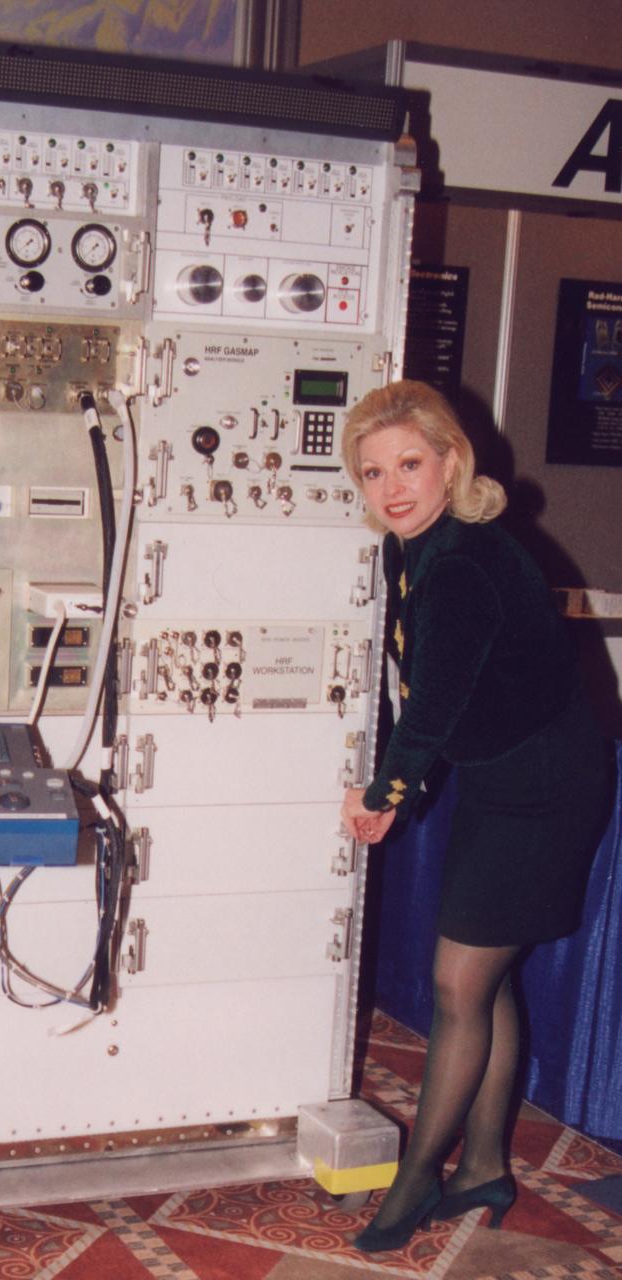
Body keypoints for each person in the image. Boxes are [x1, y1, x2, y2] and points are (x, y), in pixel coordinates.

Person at [339, 380, 612, 1253]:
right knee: (480, 977)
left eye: (410, 465)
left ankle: (419, 1177)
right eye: (374, 473)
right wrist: (399, 783)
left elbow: (431, 712)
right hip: (504, 775)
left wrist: (385, 795)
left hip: (544, 783)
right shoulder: (411, 550)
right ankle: (486, 1164)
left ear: (452, 461)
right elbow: (426, 691)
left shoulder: (460, 562)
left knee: (461, 983)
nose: (393, 490)